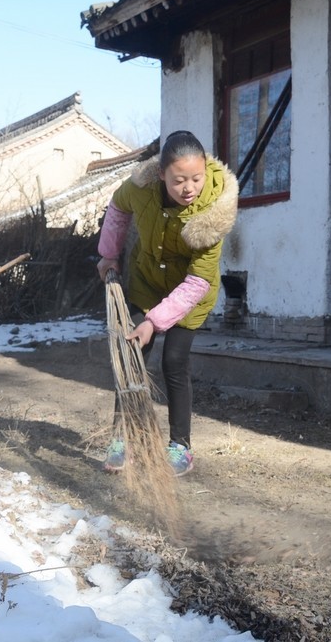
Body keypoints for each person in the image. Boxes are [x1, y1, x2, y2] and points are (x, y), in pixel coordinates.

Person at [96, 130, 239, 476]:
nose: (189, 188)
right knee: (132, 355)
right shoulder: (141, 188)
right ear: (161, 174)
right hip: (147, 282)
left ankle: (180, 446)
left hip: (190, 294)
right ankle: (123, 437)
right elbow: (118, 207)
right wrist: (109, 254)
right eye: (179, 180)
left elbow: (197, 281)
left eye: (196, 178)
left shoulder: (213, 214)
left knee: (174, 361)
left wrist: (154, 322)